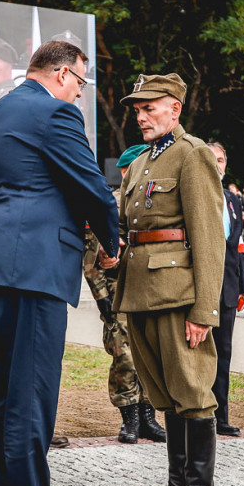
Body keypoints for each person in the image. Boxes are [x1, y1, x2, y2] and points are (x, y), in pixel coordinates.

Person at [0, 41, 119, 486]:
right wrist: (112, 244)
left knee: (1, 395)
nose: (79, 94)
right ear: (64, 74)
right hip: (32, 268)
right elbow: (92, 188)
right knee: (30, 396)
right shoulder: (55, 114)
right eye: (81, 83)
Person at [114, 73, 224, 486]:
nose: (141, 116)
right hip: (141, 293)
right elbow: (129, 225)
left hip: (178, 297)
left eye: (150, 108)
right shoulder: (141, 161)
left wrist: (205, 310)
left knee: (193, 394)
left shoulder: (193, 154)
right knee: (167, 396)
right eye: (137, 110)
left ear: (174, 109)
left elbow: (208, 237)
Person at [82, 143, 167, 444]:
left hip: (147, 292)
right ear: (126, 170)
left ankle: (148, 417)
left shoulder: (149, 201)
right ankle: (129, 418)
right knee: (125, 357)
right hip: (117, 295)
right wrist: (104, 302)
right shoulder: (111, 204)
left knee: (149, 356)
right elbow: (91, 262)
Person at [207, 142, 244, 437]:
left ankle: (221, 417)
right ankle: (196, 416)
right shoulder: (193, 194)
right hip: (199, 288)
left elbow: (239, 247)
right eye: (211, 159)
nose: (217, 165)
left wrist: (243, 286)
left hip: (228, 288)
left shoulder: (234, 200)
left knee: (223, 353)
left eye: (220, 160)